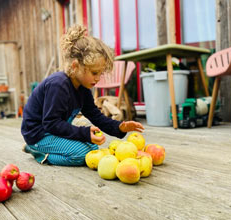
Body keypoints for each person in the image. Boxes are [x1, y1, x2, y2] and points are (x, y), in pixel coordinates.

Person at [21, 25, 144, 166]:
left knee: (93, 148)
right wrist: (84, 133)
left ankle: (49, 148)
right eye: (94, 73)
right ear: (75, 66)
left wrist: (119, 127)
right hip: (39, 134)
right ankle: (36, 150)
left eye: (100, 73)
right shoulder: (58, 85)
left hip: (53, 129)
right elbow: (51, 123)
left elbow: (95, 115)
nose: (98, 78)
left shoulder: (84, 87)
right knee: (81, 155)